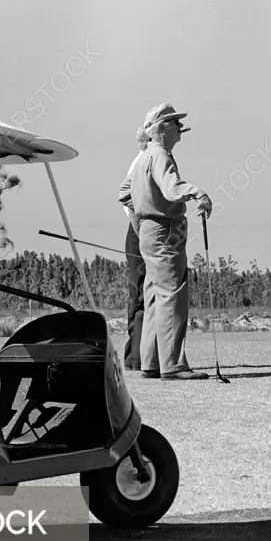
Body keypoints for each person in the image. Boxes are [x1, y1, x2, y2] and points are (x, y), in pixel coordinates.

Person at [120, 103, 212, 380]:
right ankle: (173, 365)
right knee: (172, 295)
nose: (180, 130)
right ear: (161, 128)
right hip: (164, 231)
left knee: (154, 297)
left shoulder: (145, 156)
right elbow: (172, 189)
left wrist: (141, 224)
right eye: (175, 123)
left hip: (150, 231)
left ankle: (151, 363)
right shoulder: (160, 155)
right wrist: (199, 194)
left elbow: (124, 194)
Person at [119, 137, 147, 372]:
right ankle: (134, 357)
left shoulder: (155, 160)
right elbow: (127, 199)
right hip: (139, 229)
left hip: (146, 230)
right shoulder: (142, 162)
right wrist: (143, 234)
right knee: (139, 295)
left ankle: (139, 356)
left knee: (146, 295)